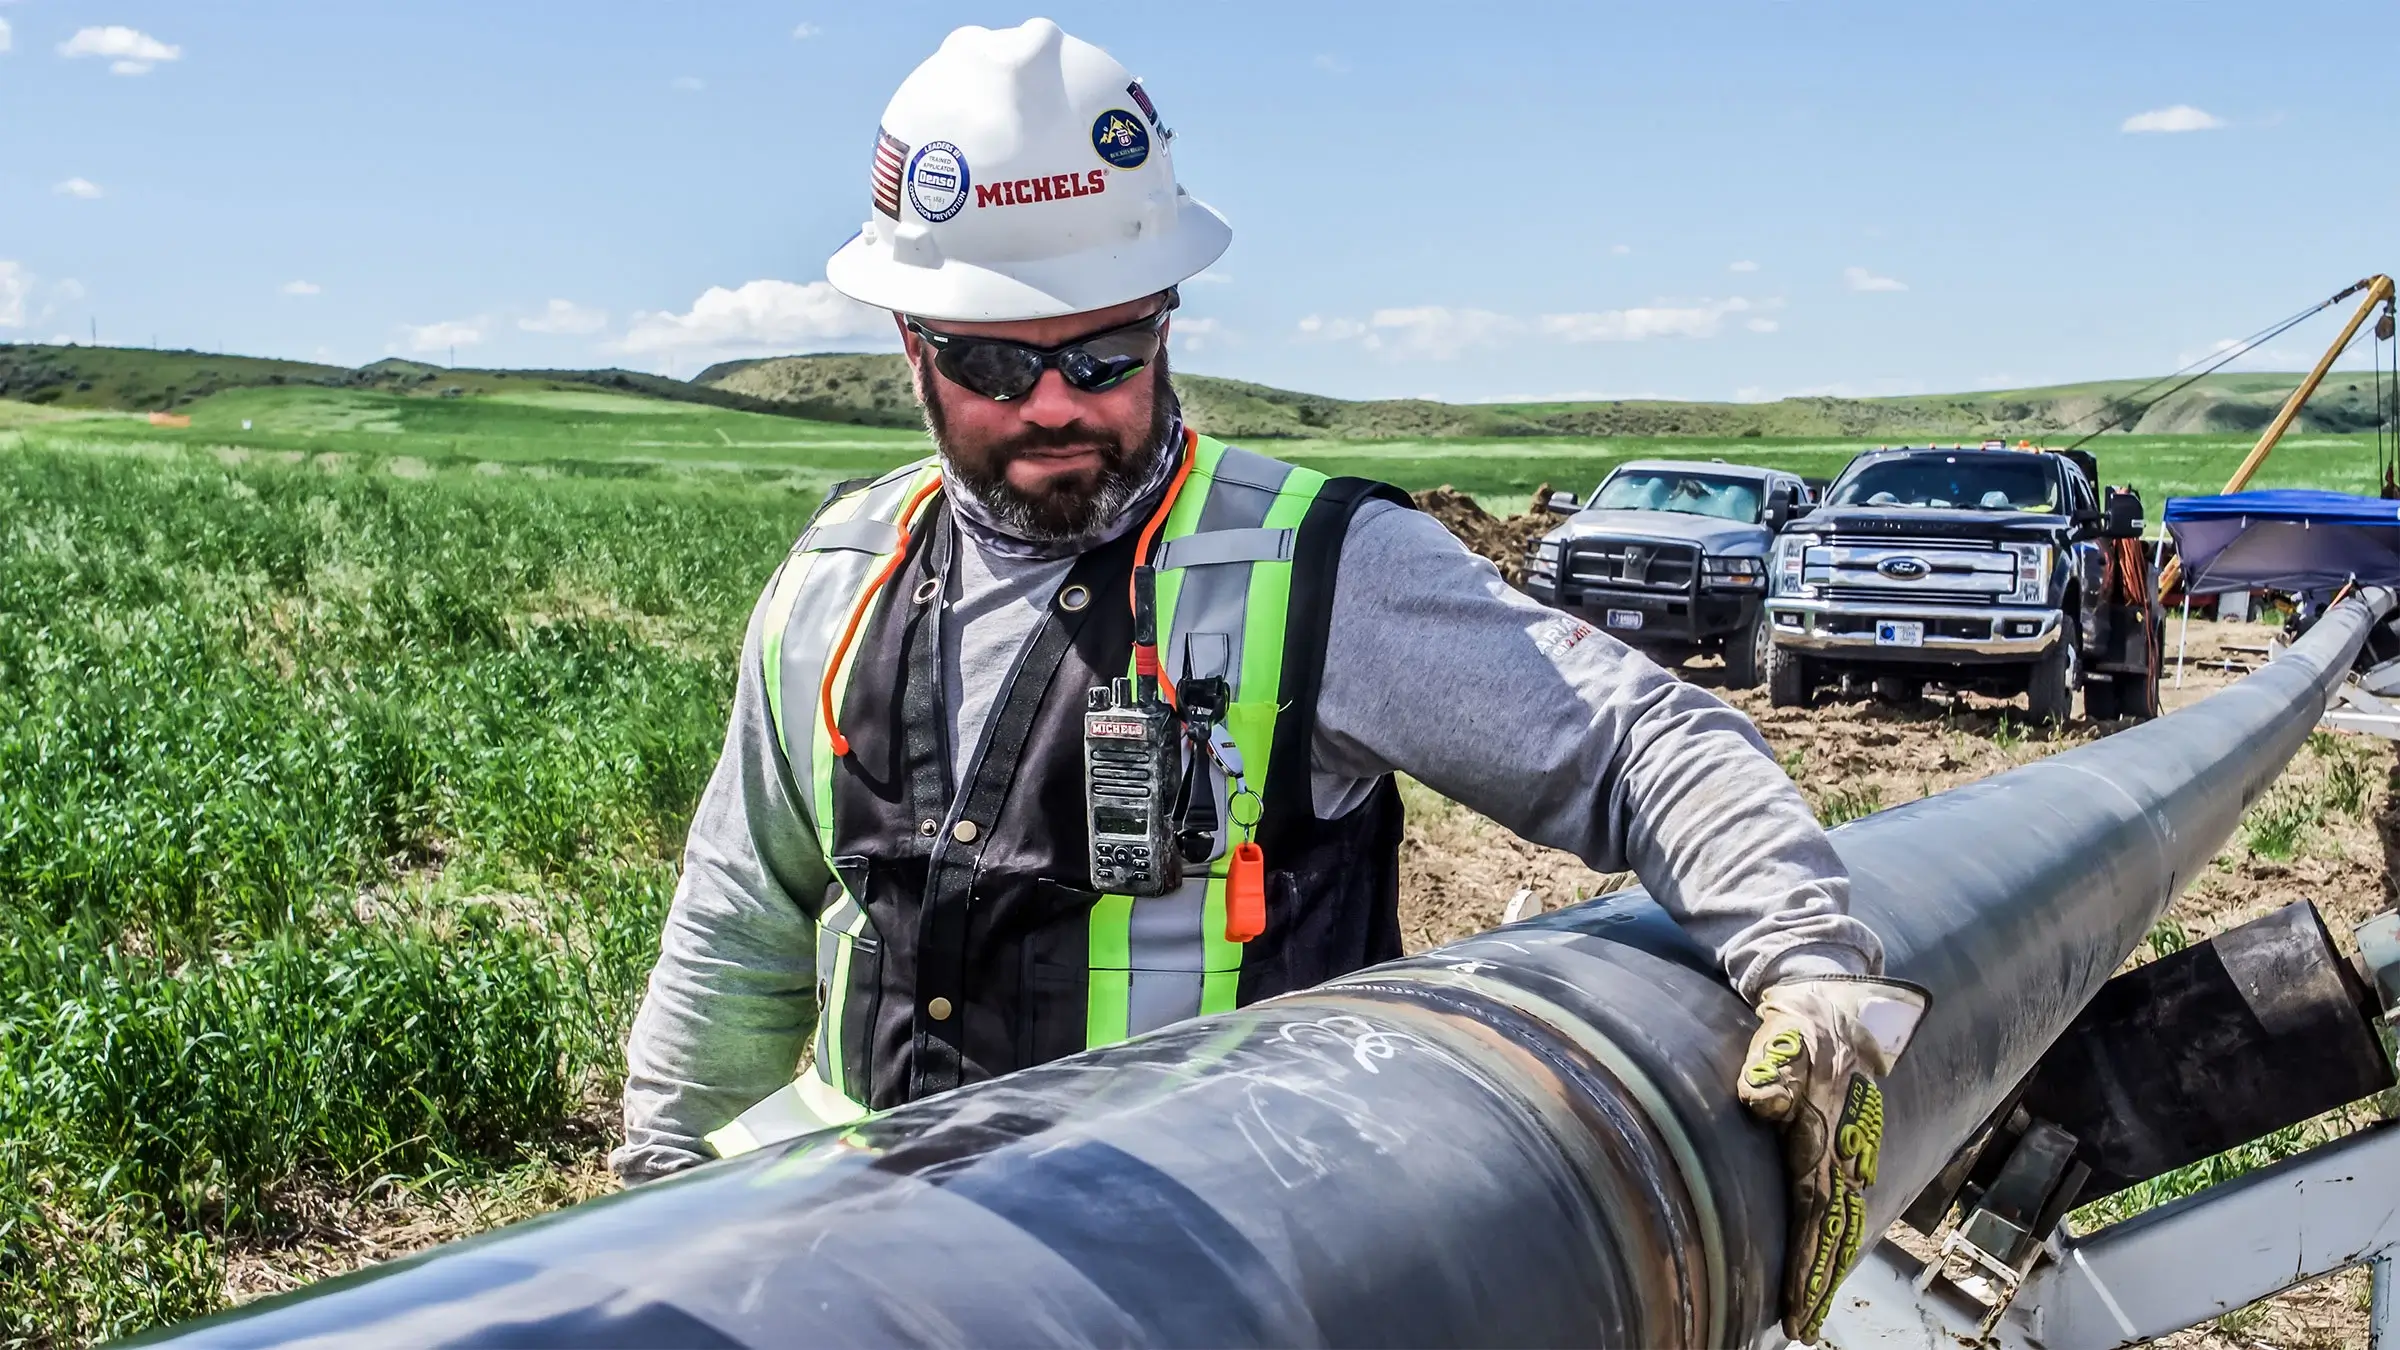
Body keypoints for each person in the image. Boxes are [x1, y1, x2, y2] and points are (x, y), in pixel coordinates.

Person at [612, 19, 1924, 1342]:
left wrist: (1808, 965)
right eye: (998, 363)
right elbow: (739, 929)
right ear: (913, 342)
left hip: (1220, 1294)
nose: (1060, 403)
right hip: (882, 1286)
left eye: (1106, 354)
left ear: (1166, 322)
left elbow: (1640, 742)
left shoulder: (1318, 571)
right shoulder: (838, 584)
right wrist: (652, 1213)